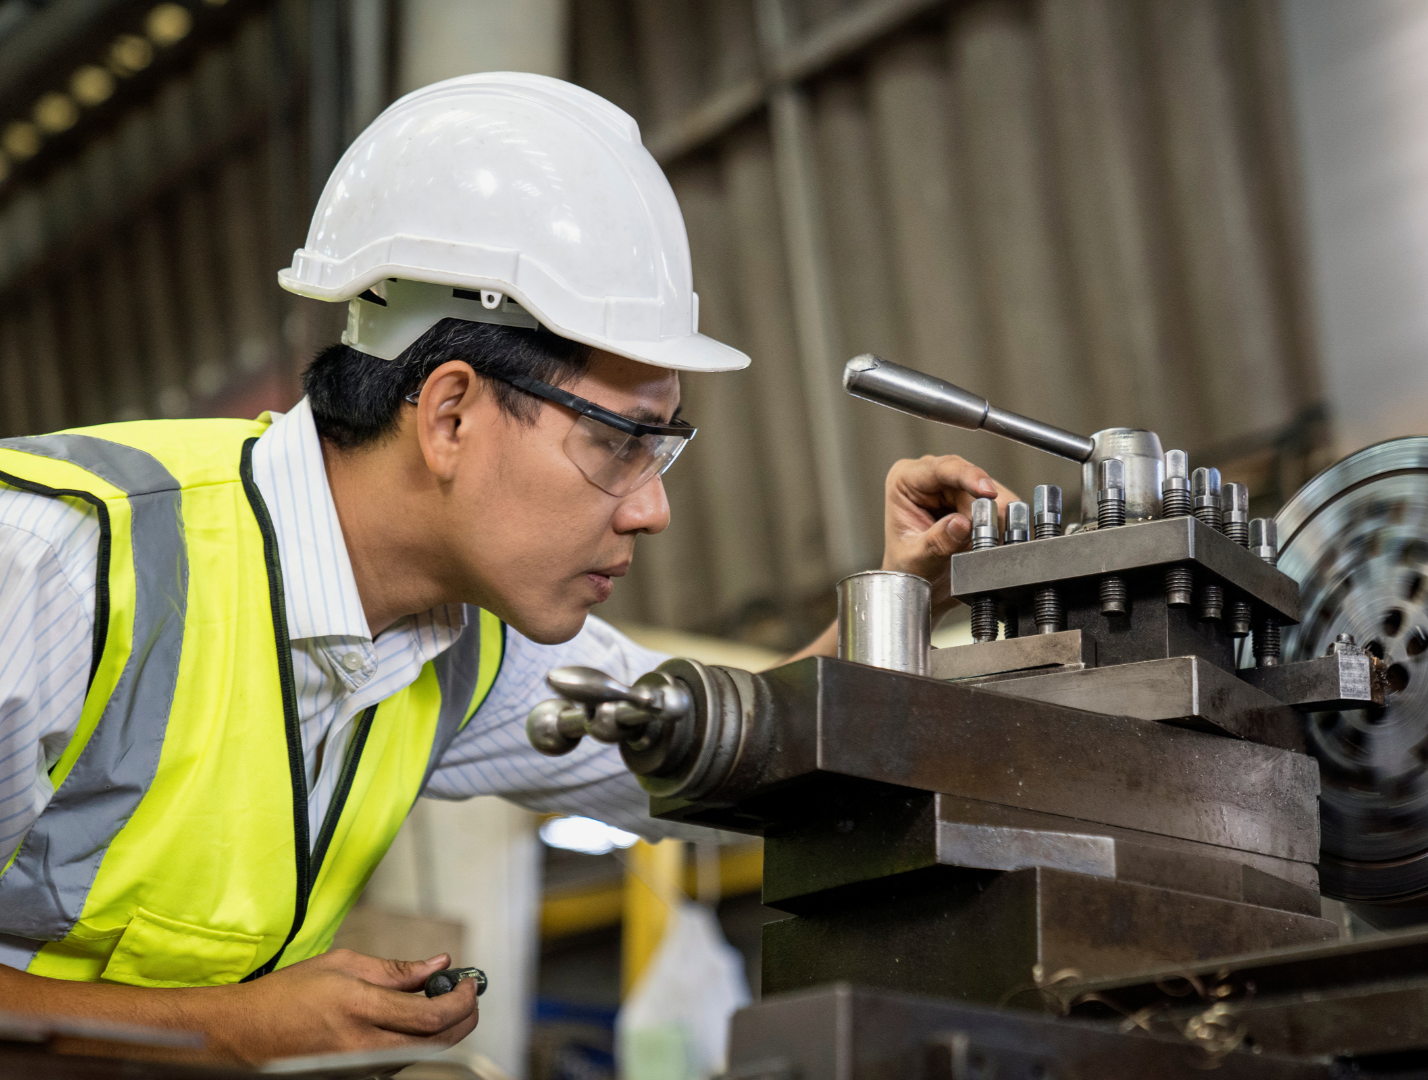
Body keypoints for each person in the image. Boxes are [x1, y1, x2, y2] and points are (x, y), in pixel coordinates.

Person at [0, 73, 1013, 1062]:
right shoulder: (58, 563)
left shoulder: (460, 646)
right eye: (624, 441)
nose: (654, 509)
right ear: (449, 414)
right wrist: (230, 1030)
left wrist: (898, 596)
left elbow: (739, 764)